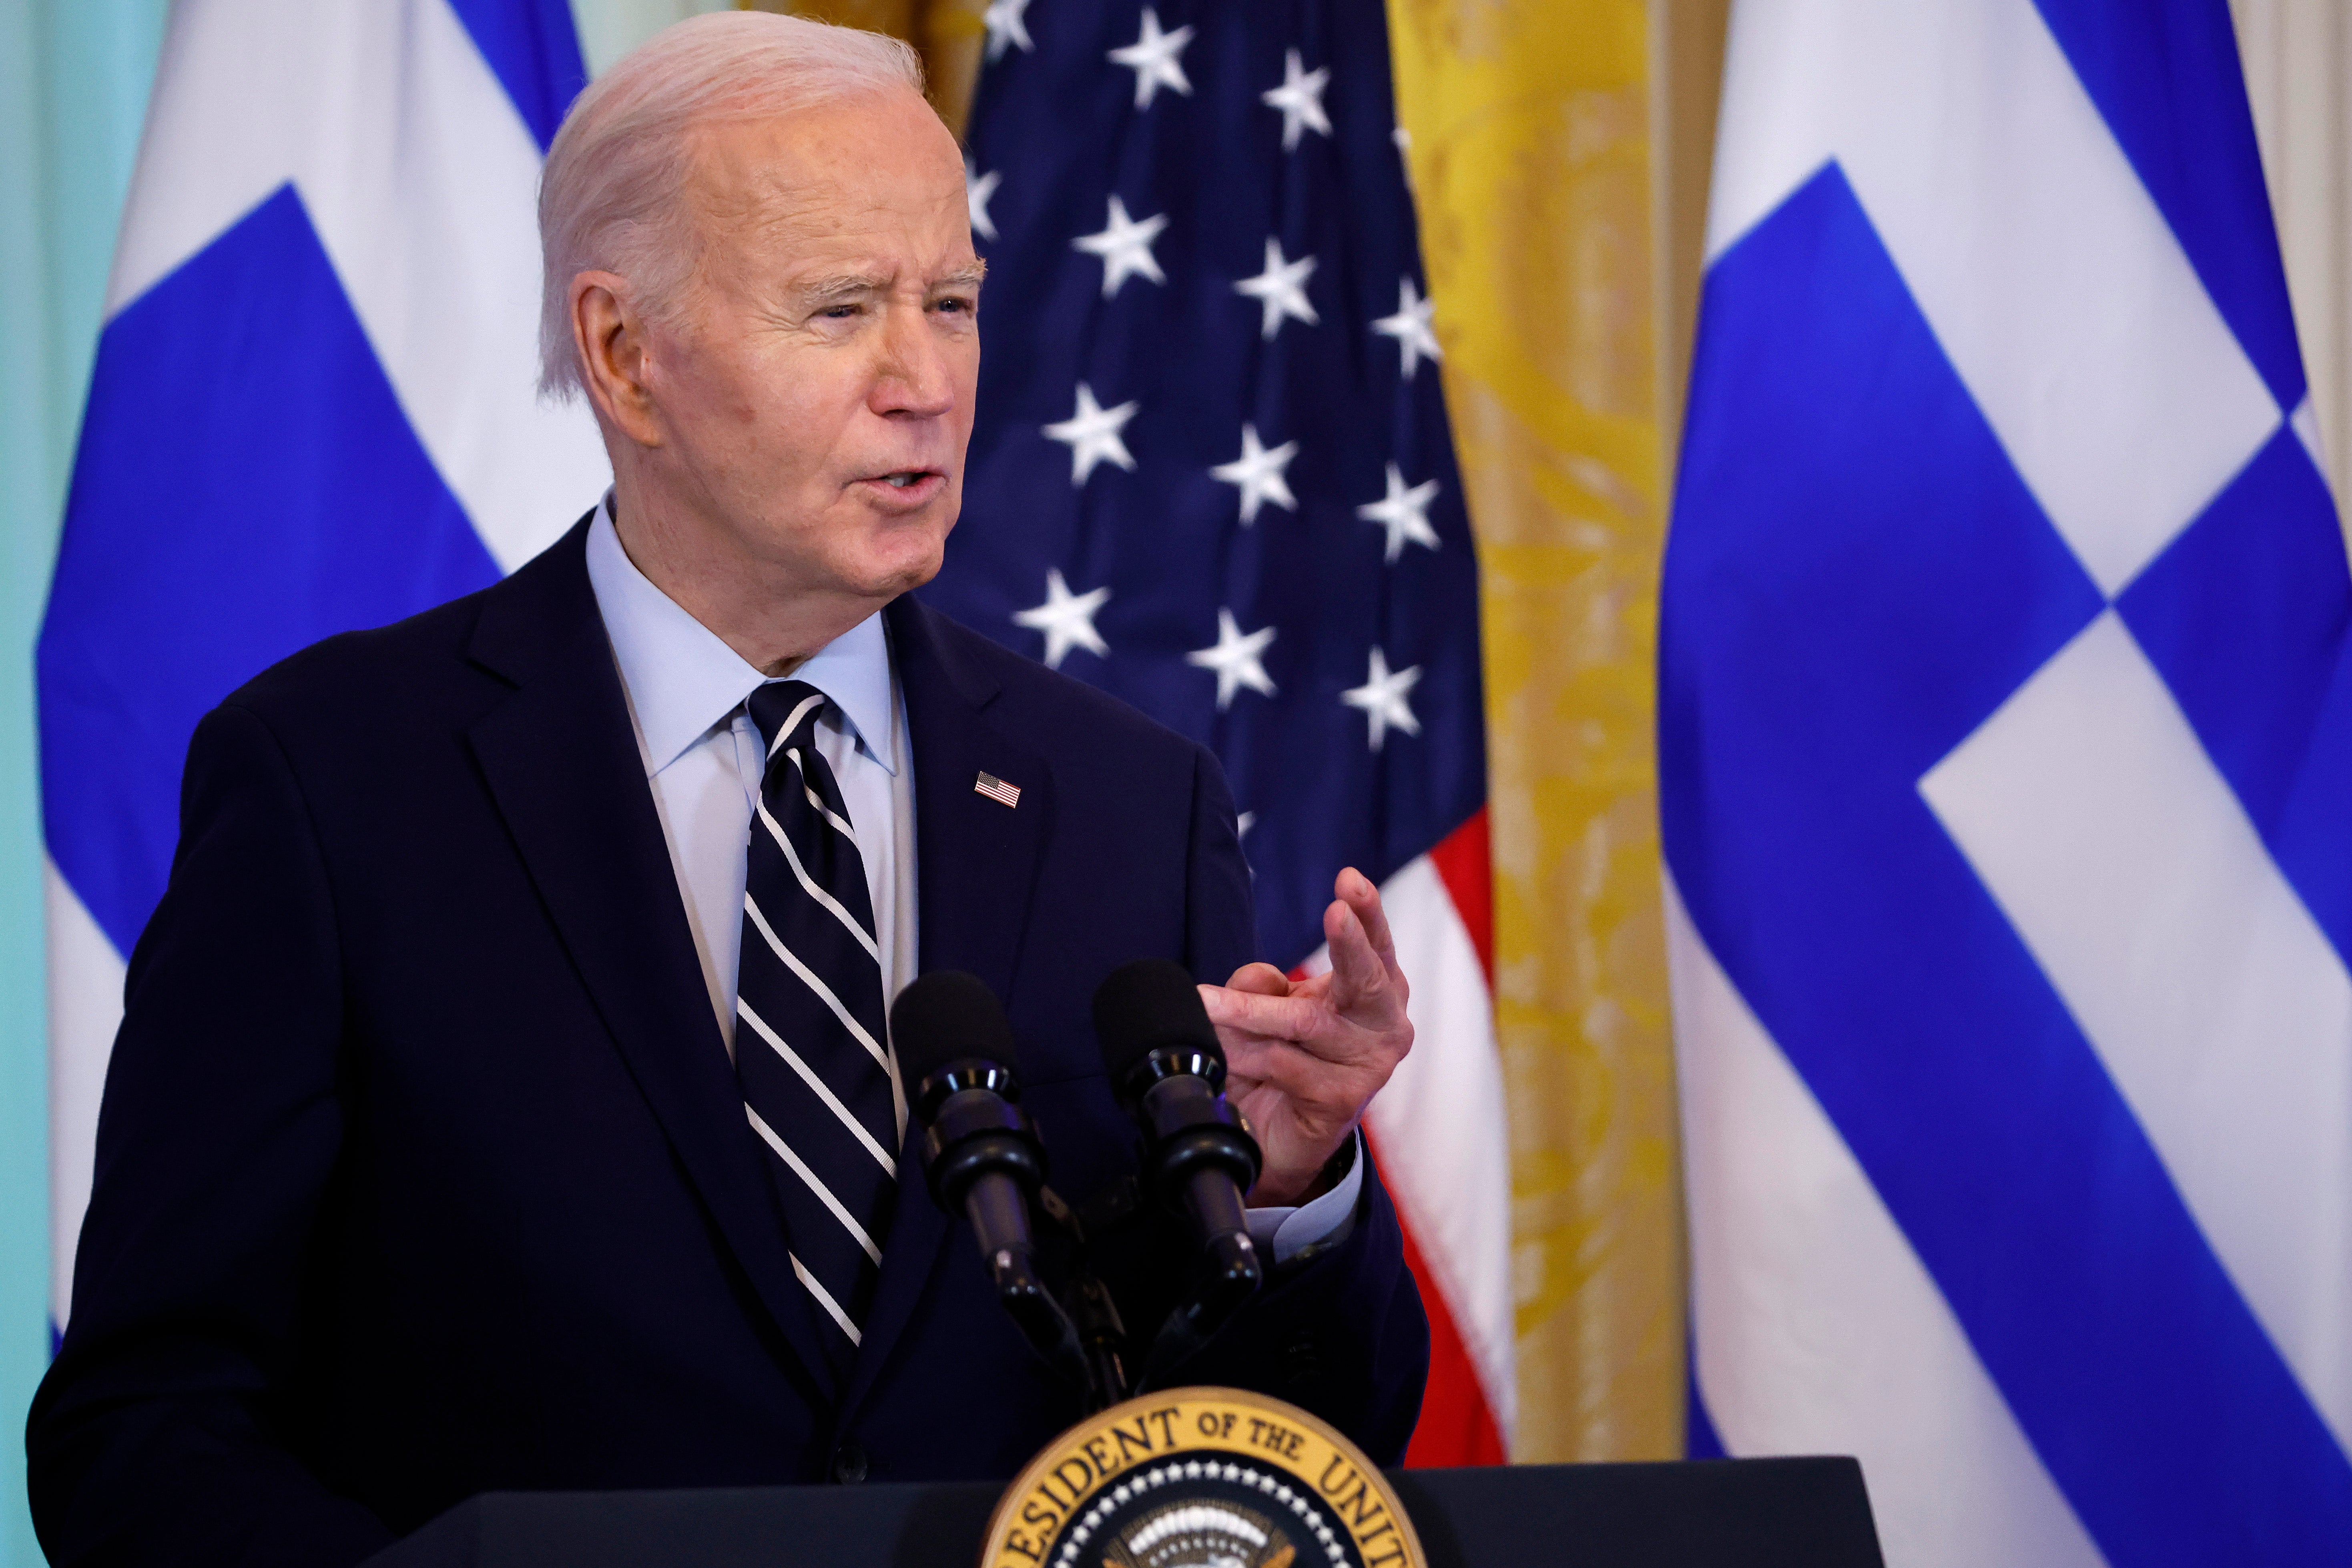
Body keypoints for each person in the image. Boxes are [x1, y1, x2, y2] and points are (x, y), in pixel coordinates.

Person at [27, 15, 1428, 1565]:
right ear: (626, 353)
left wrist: (1292, 1192)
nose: (924, 382)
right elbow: (148, 1426)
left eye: (949, 303)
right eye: (838, 309)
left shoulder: (1127, 803)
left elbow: (1269, 1457)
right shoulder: (333, 785)